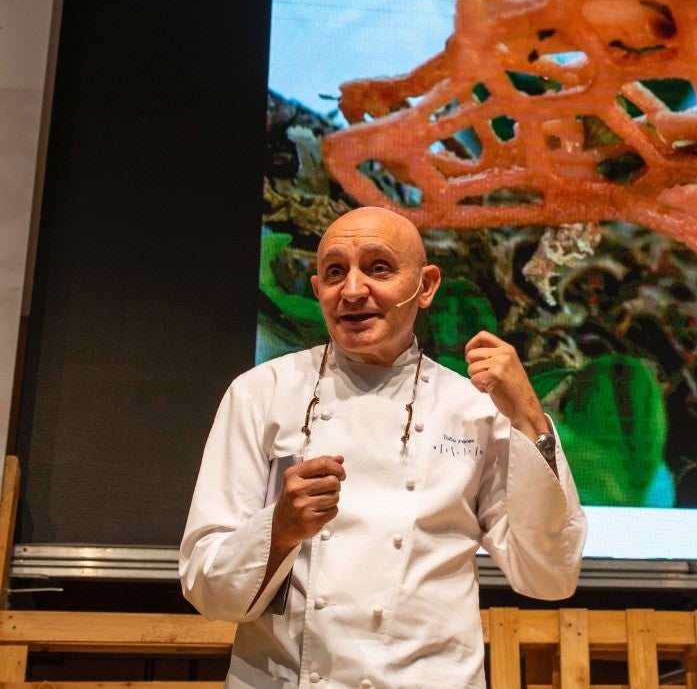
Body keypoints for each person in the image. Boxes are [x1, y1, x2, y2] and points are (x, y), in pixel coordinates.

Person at [180, 207, 587, 688]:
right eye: (335, 272)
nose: (352, 291)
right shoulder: (260, 394)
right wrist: (280, 529)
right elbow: (206, 588)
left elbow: (550, 573)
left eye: (378, 268)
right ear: (317, 291)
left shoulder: (473, 409)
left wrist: (526, 415)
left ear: (426, 285)